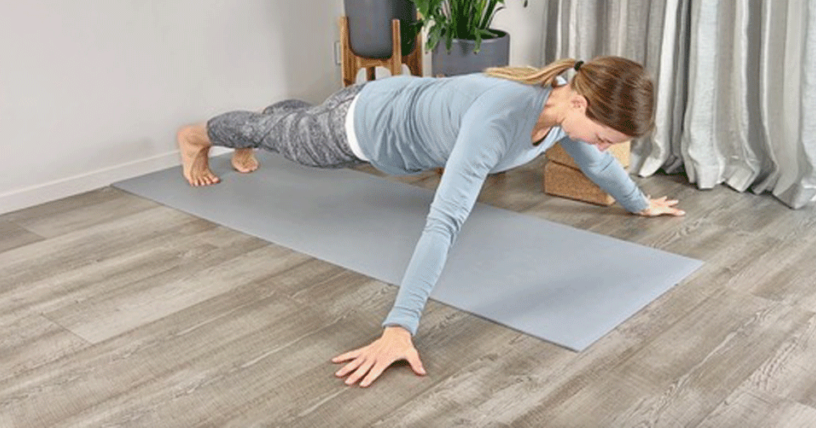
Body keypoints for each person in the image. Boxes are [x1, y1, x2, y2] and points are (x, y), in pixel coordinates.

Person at [176, 56, 685, 388]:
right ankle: (198, 136)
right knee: (291, 140)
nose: (601, 146)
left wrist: (638, 203)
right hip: (358, 129)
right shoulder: (502, 118)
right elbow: (443, 221)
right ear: (579, 101)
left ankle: (271, 122)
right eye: (602, 133)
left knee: (287, 128)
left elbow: (595, 163)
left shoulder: (560, 110)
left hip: (389, 104)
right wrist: (400, 325)